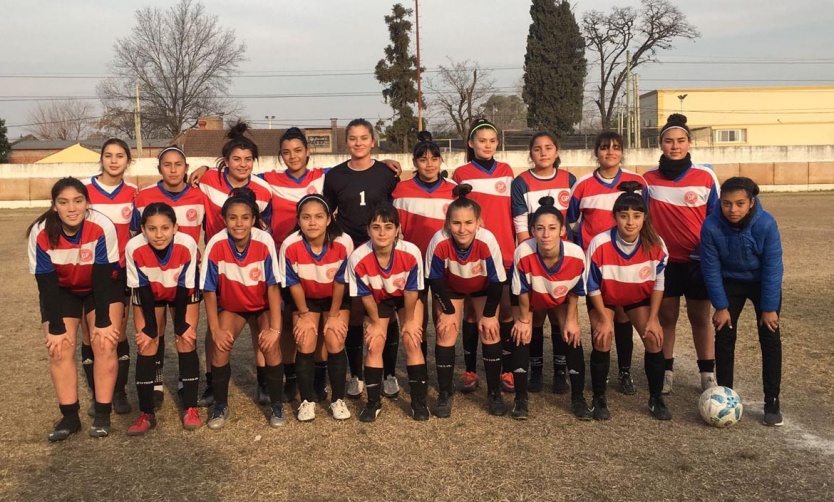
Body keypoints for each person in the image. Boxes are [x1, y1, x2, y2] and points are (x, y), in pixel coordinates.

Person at [27, 177, 121, 440]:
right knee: (58, 349)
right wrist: (56, 328)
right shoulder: (40, 232)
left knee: (104, 342)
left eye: (78, 201)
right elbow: (45, 283)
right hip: (62, 290)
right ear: (54, 205)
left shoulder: (102, 225)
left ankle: (102, 414)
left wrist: (102, 320)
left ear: (87, 203)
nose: (72, 208)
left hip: (99, 288)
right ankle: (70, 418)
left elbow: (103, 276)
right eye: (64, 202)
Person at [323, 119, 402, 401]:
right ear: (346, 143)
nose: (358, 143)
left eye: (364, 138)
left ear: (372, 141)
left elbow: (395, 210)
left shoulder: (386, 174)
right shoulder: (334, 176)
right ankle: (356, 375)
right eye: (353, 138)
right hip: (350, 253)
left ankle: (389, 373)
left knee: (385, 312)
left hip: (381, 251)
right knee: (356, 315)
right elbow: (326, 211)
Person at [197, 122, 274, 408]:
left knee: (259, 325)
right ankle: (210, 383)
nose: (242, 164)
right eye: (236, 159)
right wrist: (202, 169)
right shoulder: (207, 182)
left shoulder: (264, 190)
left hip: (252, 269)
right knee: (214, 329)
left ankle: (264, 383)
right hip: (221, 268)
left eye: (248, 159)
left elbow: (268, 230)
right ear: (225, 161)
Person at [643, 114, 719, 394]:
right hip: (665, 264)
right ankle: (667, 371)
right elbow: (643, 219)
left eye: (680, 141)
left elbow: (716, 218)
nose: (675, 146)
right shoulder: (648, 179)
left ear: (688, 143)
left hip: (698, 263)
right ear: (660, 144)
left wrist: (710, 254)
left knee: (700, 318)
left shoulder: (705, 176)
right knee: (667, 319)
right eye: (669, 141)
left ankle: (707, 373)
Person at [568, 131, 647, 396]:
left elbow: (646, 221)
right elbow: (570, 225)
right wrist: (581, 256)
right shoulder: (582, 185)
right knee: (600, 323)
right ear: (596, 152)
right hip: (597, 267)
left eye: (615, 147)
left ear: (623, 151)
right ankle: (599, 376)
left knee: (623, 318)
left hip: (628, 265)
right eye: (604, 147)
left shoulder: (637, 182)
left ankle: (624, 371)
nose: (610, 152)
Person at [700, 177, 784, 426]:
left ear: (751, 202)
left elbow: (773, 267)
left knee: (769, 338)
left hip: (761, 283)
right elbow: (710, 267)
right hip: (730, 282)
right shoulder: (711, 225)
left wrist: (769, 308)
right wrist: (721, 306)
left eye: (739, 203)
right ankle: (726, 395)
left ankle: (772, 401)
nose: (732, 210)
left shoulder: (766, 224)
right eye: (726, 204)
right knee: (724, 335)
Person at [200, 188, 285, 429]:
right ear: (224, 219)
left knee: (270, 345)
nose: (239, 223)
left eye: (245, 217)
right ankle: (220, 405)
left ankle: (276, 405)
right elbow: (208, 290)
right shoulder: (216, 244)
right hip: (233, 307)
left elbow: (272, 287)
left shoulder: (264, 240)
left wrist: (275, 330)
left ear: (254, 220)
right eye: (233, 218)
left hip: (262, 306)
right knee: (220, 344)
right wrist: (214, 329)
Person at [585, 182, 671, 420]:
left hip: (636, 297)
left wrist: (653, 319)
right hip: (605, 298)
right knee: (602, 338)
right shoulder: (599, 243)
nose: (630, 222)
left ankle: (656, 398)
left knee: (654, 338)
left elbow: (658, 284)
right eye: (624, 216)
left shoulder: (656, 244)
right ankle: (599, 398)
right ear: (615, 217)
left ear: (645, 218)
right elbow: (591, 286)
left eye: (636, 216)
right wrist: (604, 319)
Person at [131, 146, 207, 409]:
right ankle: (157, 380)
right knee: (156, 329)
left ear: (187, 168)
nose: (173, 169)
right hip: (153, 273)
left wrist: (206, 170)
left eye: (178, 164)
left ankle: (186, 385)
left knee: (185, 332)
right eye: (167, 164)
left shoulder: (200, 193)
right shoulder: (144, 197)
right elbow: (136, 233)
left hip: (185, 275)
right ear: (159, 168)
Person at [425, 185, 506, 417]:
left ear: (478, 222)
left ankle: (493, 393)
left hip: (481, 287)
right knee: (445, 329)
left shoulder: (487, 239)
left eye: (469, 223)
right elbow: (435, 279)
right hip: (451, 287)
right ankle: (444, 393)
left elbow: (497, 281)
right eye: (456, 223)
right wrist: (448, 311)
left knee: (491, 331)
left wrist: (489, 315)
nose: (462, 229)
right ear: (447, 223)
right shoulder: (439, 240)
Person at [511, 196, 592, 420]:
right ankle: (522, 397)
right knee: (522, 332)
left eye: (552, 228)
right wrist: (524, 320)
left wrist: (572, 320)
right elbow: (523, 292)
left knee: (572, 333)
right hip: (532, 294)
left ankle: (577, 396)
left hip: (560, 297)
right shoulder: (523, 252)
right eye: (540, 228)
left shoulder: (576, 254)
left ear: (562, 230)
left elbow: (575, 291)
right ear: (532, 231)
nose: (546, 234)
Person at [124, 203, 202, 435]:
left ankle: (190, 408)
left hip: (181, 291)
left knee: (186, 339)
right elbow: (143, 288)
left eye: (165, 228)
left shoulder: (187, 244)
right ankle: (146, 413)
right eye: (152, 229)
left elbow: (184, 288)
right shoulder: (133, 247)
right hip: (150, 292)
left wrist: (181, 326)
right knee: (147, 343)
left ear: (175, 227)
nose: (159, 235)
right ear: (143, 229)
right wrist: (149, 328)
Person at [452, 118, 516, 394]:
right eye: (481, 140)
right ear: (471, 144)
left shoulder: (507, 171)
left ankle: (507, 368)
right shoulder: (460, 174)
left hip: (505, 251)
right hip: (472, 254)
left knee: (504, 311)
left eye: (492, 140)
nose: (487, 145)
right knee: (471, 314)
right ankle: (470, 370)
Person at [346, 204, 427, 422]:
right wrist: (373, 322)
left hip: (404, 298)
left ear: (398, 230)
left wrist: (409, 321)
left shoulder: (411, 252)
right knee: (375, 342)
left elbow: (411, 291)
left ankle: (418, 402)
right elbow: (365, 295)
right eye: (376, 227)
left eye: (388, 227)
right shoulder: (358, 257)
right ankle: (373, 402)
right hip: (377, 297)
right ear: (368, 230)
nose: (382, 233)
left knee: (412, 340)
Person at [511, 131, 576, 394]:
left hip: (561, 258)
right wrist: (534, 256)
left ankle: (560, 371)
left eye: (549, 147)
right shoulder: (521, 182)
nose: (543, 153)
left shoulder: (569, 179)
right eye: (537, 148)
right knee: (535, 317)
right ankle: (536, 370)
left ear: (557, 151)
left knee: (559, 316)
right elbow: (520, 223)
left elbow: (573, 222)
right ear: (531, 153)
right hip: (535, 257)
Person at [279, 194, 354, 421]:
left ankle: (337, 400)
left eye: (319, 217)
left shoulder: (343, 242)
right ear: (298, 220)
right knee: (305, 338)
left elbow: (341, 281)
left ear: (329, 219)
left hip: (335, 298)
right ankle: (307, 400)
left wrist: (332, 315)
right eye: (307, 217)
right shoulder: (290, 245)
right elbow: (292, 283)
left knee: (334, 337)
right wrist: (303, 315)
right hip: (306, 299)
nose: (313, 222)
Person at [81, 138, 137, 416]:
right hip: (86, 273)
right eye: (108, 155)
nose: (114, 161)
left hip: (119, 274)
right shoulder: (84, 191)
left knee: (115, 333)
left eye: (120, 156)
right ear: (101, 159)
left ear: (128, 161)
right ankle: (97, 393)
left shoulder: (134, 194)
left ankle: (119, 391)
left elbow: (138, 234)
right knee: (90, 335)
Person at [392, 130, 457, 357]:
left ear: (441, 160)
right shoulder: (401, 190)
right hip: (414, 267)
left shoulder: (453, 189)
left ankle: (442, 372)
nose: (429, 164)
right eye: (423, 159)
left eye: (434, 158)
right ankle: (421, 367)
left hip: (443, 266)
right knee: (419, 320)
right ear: (414, 162)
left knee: (442, 317)